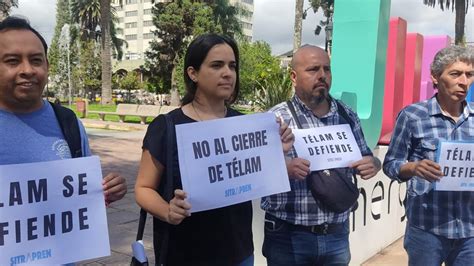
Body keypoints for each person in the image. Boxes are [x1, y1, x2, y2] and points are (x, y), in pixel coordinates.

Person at [134, 33, 294, 266]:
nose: (228, 73)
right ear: (193, 73)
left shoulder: (245, 125)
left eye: (232, 66)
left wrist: (276, 153)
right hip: (184, 254)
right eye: (217, 65)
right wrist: (167, 210)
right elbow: (143, 188)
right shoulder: (166, 127)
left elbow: (256, 178)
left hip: (239, 254)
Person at [261, 45, 381, 266]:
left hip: (336, 235)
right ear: (294, 77)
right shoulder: (274, 119)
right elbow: (256, 174)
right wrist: (284, 169)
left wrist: (373, 163)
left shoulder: (347, 115)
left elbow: (366, 155)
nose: (322, 76)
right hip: (287, 236)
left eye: (327, 69)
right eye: (313, 69)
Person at [0, 16, 126, 205]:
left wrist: (106, 190)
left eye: (36, 60)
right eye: (12, 61)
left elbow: (80, 199)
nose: (27, 70)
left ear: (47, 66)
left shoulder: (68, 122)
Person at [383, 45, 474, 265]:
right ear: (435, 77)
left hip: (469, 230)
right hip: (426, 228)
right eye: (455, 74)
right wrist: (413, 168)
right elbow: (390, 164)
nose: (464, 81)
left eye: (469, 74)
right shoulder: (413, 116)